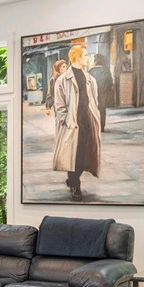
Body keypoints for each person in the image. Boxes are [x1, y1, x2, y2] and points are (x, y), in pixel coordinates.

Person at [52, 45, 102, 201]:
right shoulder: (62, 80)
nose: (88, 58)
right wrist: (65, 120)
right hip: (72, 123)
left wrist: (95, 115)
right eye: (85, 55)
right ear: (77, 57)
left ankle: (73, 179)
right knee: (75, 154)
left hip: (87, 121)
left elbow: (94, 100)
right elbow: (59, 105)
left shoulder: (90, 79)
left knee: (85, 154)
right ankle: (75, 185)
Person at [87, 51, 115, 131]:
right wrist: (108, 92)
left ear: (95, 61)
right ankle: (102, 127)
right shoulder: (106, 71)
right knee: (102, 111)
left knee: (93, 110)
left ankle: (94, 126)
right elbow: (110, 83)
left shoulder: (91, 71)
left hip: (93, 95)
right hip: (103, 94)